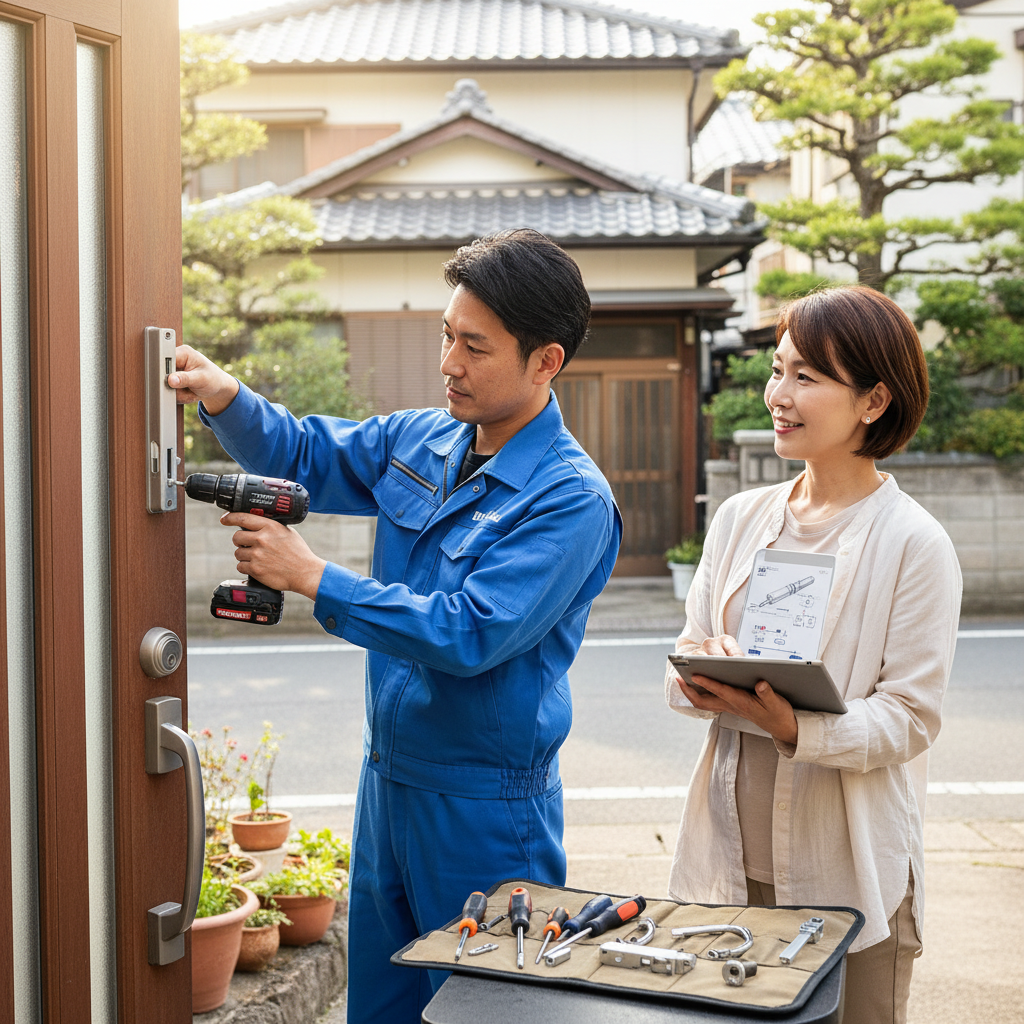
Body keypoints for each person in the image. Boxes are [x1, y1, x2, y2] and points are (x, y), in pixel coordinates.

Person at [170, 228, 621, 1023]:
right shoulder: (424, 438)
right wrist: (222, 393)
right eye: (447, 336)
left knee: (483, 1012)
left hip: (487, 812)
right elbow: (306, 451)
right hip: (388, 784)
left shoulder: (569, 500)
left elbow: (469, 632)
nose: (449, 363)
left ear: (545, 361)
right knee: (379, 1006)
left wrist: (312, 575)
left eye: (475, 347)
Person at [665, 286, 961, 1024]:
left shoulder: (914, 542)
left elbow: (912, 718)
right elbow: (687, 654)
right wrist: (706, 671)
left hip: (849, 874)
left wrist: (797, 728)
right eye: (777, 369)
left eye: (807, 377)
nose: (779, 395)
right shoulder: (740, 518)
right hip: (731, 871)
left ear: (873, 401)